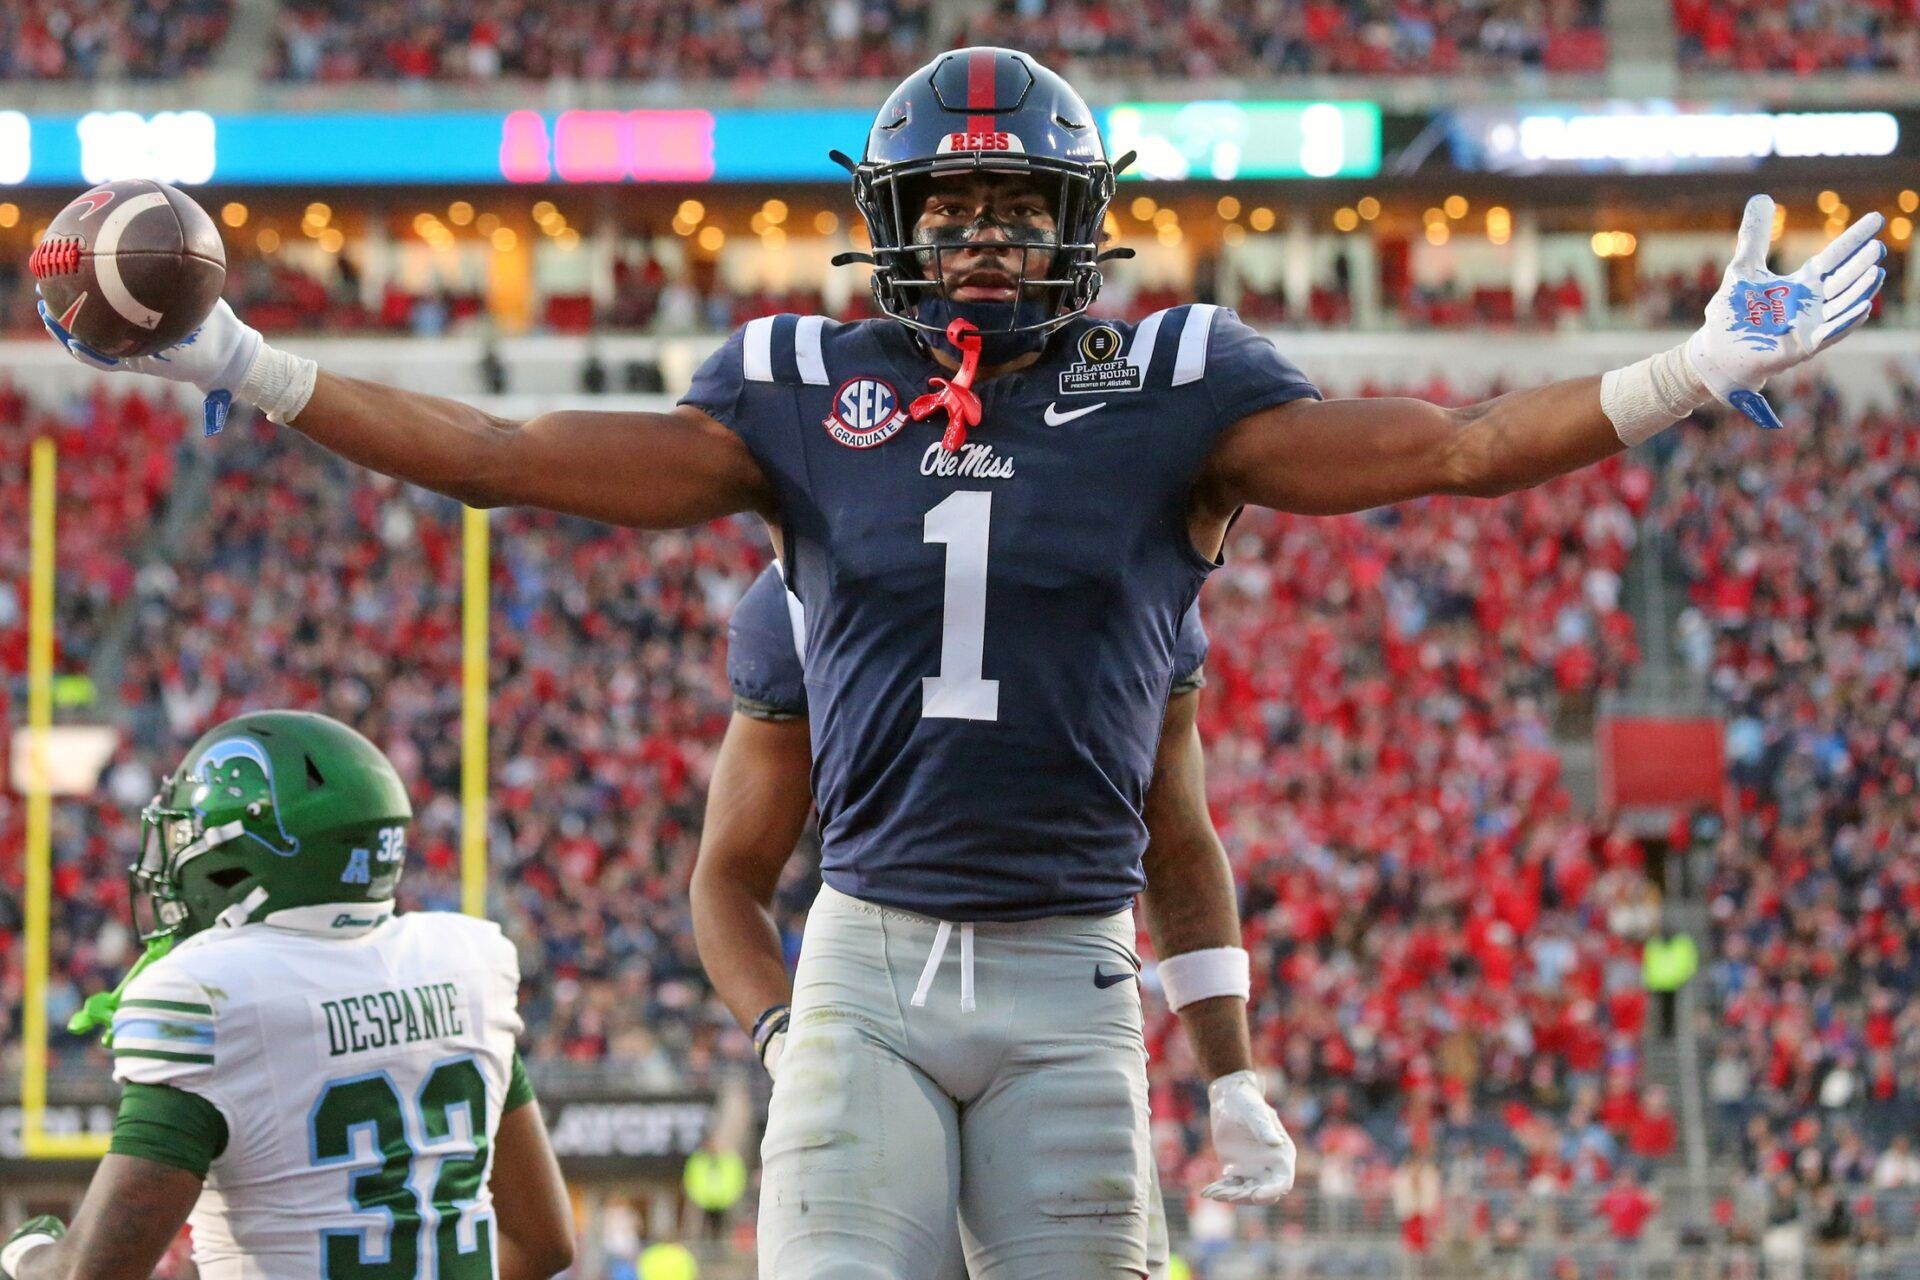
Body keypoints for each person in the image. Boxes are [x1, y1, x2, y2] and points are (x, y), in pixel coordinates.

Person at [39, 44, 1886, 1278]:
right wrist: (248, 372)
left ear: (1083, 226)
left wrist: (1687, 371)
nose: (989, 239)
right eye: (956, 208)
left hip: (1078, 978)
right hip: (865, 976)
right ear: (895, 224)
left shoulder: (1180, 391)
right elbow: (521, 465)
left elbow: (1455, 450)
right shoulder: (796, 395)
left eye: (1020, 210)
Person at [692, 563, 1219, 1279]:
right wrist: (778, 1034)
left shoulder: (1132, 553)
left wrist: (1234, 1075)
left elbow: (1182, 843)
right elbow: (728, 874)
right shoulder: (806, 583)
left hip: (1066, 992)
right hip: (878, 979)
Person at [0, 711, 574, 1280]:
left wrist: (26, 1253)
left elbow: (88, 1276)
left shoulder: (207, 992)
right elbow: (546, 1244)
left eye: (189, 840)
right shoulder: (465, 963)